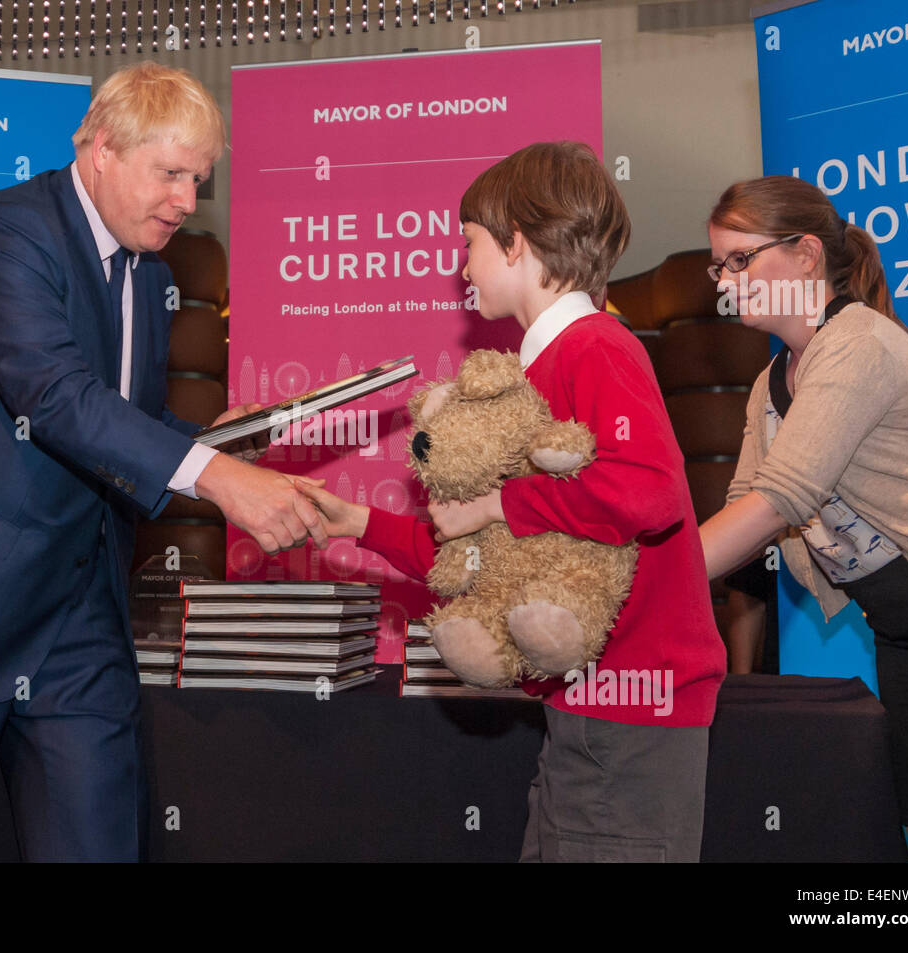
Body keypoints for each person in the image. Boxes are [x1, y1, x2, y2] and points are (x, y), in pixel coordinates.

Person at [0, 62, 324, 862]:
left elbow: (116, 415)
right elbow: (53, 398)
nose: (187, 202)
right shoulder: (2, 234)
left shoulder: (148, 274)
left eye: (199, 180)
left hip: (74, 611)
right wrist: (217, 479)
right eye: (170, 174)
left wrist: (217, 441)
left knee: (97, 838)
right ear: (100, 152)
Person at [298, 141, 727, 862]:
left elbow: (649, 493)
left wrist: (498, 502)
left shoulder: (597, 348)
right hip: (585, 712)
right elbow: (489, 551)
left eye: (468, 243)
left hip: (633, 714)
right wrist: (358, 524)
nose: (461, 266)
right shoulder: (545, 362)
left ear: (517, 242)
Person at [698, 175, 908, 863]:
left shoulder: (856, 341)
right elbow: (741, 509)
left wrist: (634, 580)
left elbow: (781, 499)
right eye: (718, 264)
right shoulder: (770, 382)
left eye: (741, 259)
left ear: (807, 255)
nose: (725, 280)